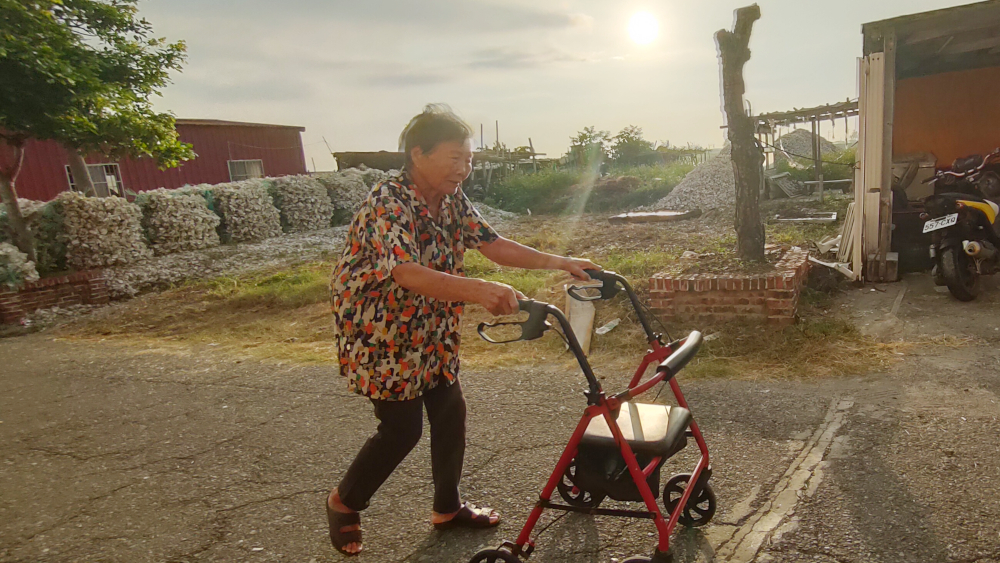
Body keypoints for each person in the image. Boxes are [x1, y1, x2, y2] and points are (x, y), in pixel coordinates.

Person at [326, 104, 598, 556]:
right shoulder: (388, 201)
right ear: (418, 153)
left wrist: (562, 261)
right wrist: (479, 290)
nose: (464, 168)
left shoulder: (451, 198)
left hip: (431, 322)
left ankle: (447, 508)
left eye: (468, 159)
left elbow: (492, 243)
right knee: (401, 430)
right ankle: (344, 501)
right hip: (381, 328)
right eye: (454, 157)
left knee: (450, 411)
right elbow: (405, 272)